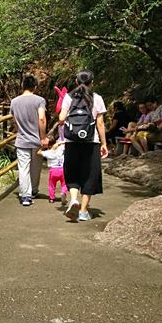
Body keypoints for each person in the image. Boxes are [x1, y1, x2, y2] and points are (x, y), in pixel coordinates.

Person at [59, 70, 108, 222]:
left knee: (72, 172)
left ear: (75, 81)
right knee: (89, 175)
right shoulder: (96, 98)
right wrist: (104, 143)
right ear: (92, 82)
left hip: (72, 142)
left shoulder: (68, 97)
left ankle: (74, 199)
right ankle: (83, 211)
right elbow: (100, 123)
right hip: (91, 142)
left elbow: (61, 119)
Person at [10, 75, 48, 206]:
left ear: (22, 86)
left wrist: (20, 130)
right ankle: (34, 191)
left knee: (23, 168)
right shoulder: (39, 100)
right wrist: (43, 137)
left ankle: (25, 196)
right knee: (36, 168)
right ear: (35, 86)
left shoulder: (14, 101)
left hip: (22, 140)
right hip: (36, 140)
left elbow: (14, 120)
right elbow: (42, 118)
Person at [38, 137, 67, 204]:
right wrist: (59, 143)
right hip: (62, 169)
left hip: (53, 170)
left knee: (52, 185)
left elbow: (38, 152)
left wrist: (42, 146)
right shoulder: (61, 148)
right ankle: (63, 192)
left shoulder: (48, 152)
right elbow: (66, 142)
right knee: (64, 184)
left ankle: (51, 198)